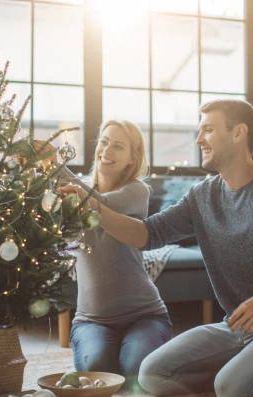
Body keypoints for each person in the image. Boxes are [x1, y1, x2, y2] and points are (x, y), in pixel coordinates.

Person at [62, 100, 253, 396]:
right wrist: (93, 206)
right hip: (234, 327)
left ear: (239, 133)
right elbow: (147, 234)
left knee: (230, 387)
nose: (198, 140)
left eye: (208, 130)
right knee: (151, 373)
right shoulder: (202, 196)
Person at [58, 119, 172, 391]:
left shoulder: (136, 192)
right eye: (104, 141)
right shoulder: (76, 188)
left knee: (135, 372)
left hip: (145, 315)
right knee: (98, 373)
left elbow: (100, 204)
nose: (106, 150)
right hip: (91, 320)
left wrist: (53, 164)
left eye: (118, 146)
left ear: (132, 158)